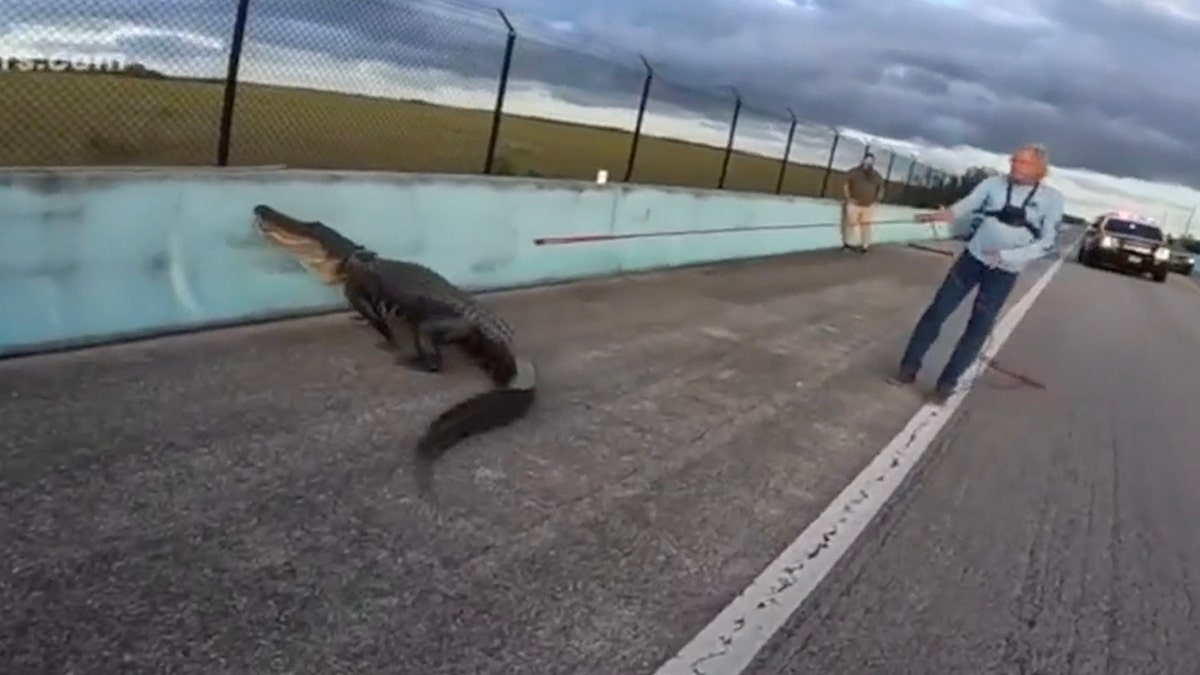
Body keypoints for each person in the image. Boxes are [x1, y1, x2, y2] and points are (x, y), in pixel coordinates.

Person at [890, 143, 1064, 403]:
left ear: (1040, 169)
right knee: (937, 311)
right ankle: (907, 369)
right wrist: (945, 215)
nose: (1015, 166)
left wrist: (1008, 256)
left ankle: (946, 384)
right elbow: (968, 205)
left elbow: (1047, 242)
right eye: (1014, 160)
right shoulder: (994, 184)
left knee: (978, 328)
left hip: (1004, 272)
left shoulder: (1051, 199)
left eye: (1023, 162)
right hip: (972, 259)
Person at [841, 152, 886, 254]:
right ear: (863, 160)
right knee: (850, 224)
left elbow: (881, 188)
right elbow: (846, 185)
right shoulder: (854, 172)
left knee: (866, 226)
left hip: (868, 206)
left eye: (871, 161)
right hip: (854, 204)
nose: (869, 162)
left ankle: (865, 246)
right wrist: (848, 198)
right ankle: (847, 244)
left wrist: (877, 199)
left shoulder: (876, 175)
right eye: (867, 160)